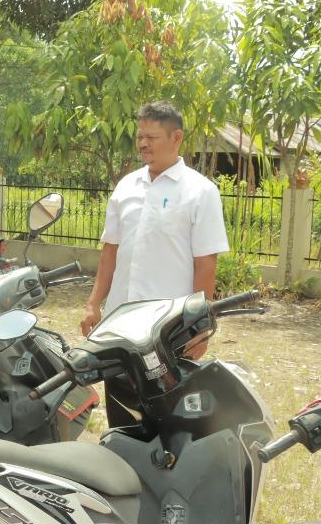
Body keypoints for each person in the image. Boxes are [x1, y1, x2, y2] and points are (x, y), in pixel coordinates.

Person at [81, 100, 229, 427]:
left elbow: (205, 264)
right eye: (140, 137)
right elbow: (110, 252)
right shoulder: (126, 187)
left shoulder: (199, 192)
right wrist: (93, 304)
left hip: (167, 328)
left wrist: (200, 327)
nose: (144, 144)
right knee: (122, 413)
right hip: (120, 324)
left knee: (165, 416)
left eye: (152, 137)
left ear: (176, 138)